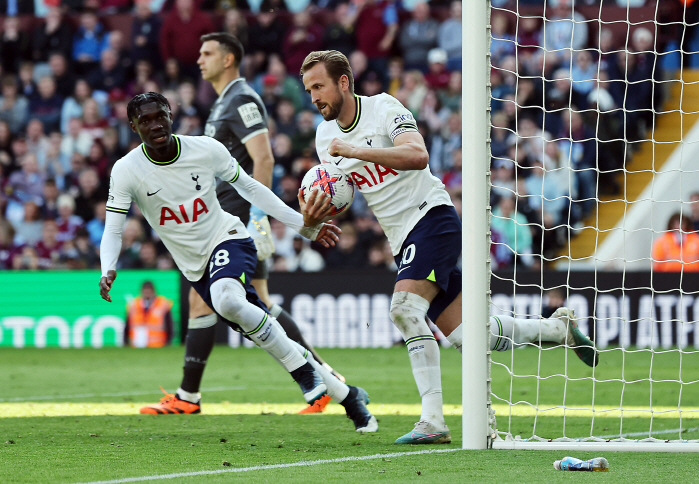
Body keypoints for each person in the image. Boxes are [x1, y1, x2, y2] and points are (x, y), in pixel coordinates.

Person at [300, 50, 599, 444]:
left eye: (319, 86)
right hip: (401, 237)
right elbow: (340, 193)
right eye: (308, 90)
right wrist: (311, 221)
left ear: (342, 82)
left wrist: (357, 150)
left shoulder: (384, 108)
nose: (313, 97)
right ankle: (557, 328)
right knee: (471, 336)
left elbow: (417, 154)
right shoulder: (325, 137)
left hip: (431, 217)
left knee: (405, 310)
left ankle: (433, 421)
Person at [100, 91, 377, 434]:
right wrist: (108, 266)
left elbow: (252, 189)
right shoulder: (126, 170)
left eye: (160, 116)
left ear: (171, 115)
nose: (155, 125)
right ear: (133, 126)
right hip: (195, 267)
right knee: (264, 331)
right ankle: (349, 398)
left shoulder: (205, 149)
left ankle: (300, 375)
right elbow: (113, 228)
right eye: (145, 120)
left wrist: (302, 225)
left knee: (227, 299)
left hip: (228, 238)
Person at [138, 33, 351, 417]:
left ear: (230, 59)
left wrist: (257, 218)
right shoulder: (221, 104)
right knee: (256, 302)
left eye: (208, 53)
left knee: (204, 298)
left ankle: (190, 396)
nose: (199, 59)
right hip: (224, 216)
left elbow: (263, 158)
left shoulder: (242, 99)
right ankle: (328, 382)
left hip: (235, 219)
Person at [124, 281, 174, 348]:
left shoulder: (163, 304)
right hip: (136, 344)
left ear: (154, 292)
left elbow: (169, 325)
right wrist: (125, 342)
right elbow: (127, 325)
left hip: (158, 344)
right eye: (145, 292)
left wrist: (168, 342)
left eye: (149, 292)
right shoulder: (133, 305)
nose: (147, 294)